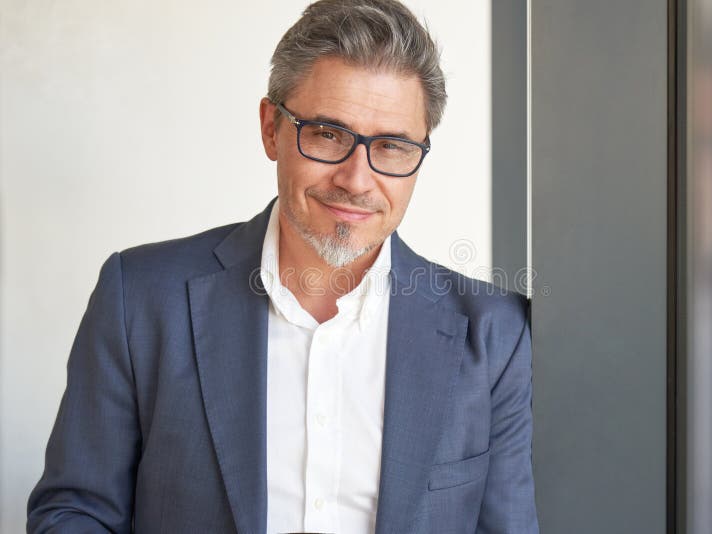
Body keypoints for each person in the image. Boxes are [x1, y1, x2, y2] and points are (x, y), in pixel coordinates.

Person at [27, 0, 538, 532]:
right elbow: (74, 514)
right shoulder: (139, 298)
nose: (356, 180)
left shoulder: (496, 334)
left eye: (391, 146)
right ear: (272, 128)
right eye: (328, 135)